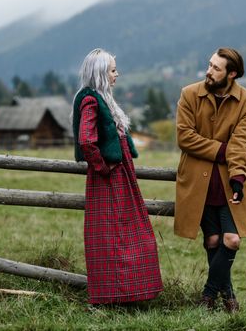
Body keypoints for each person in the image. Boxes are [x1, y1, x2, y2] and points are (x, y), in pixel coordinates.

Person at [72, 48, 163, 305]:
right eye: (113, 70)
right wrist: (103, 168)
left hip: (120, 177)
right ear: (101, 73)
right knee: (113, 236)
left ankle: (129, 293)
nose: (117, 74)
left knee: (130, 233)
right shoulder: (90, 99)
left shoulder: (103, 98)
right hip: (109, 179)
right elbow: (87, 141)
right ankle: (115, 295)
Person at [175, 47, 246, 313]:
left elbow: (241, 143)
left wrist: (237, 174)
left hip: (229, 181)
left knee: (232, 239)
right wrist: (222, 149)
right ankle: (229, 300)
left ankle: (208, 295)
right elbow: (184, 137)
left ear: (232, 74)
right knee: (212, 241)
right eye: (209, 65)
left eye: (216, 68)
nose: (208, 71)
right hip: (198, 182)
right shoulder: (189, 94)